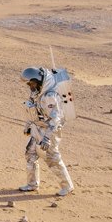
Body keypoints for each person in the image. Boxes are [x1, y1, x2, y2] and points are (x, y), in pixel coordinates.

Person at [19, 66, 75, 196]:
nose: (30, 87)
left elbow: (55, 119)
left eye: (32, 83)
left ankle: (67, 186)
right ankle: (32, 184)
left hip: (49, 131)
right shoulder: (38, 94)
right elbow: (32, 111)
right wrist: (27, 126)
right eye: (29, 84)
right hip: (37, 128)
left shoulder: (49, 96)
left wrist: (47, 138)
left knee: (52, 158)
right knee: (30, 154)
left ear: (39, 81)